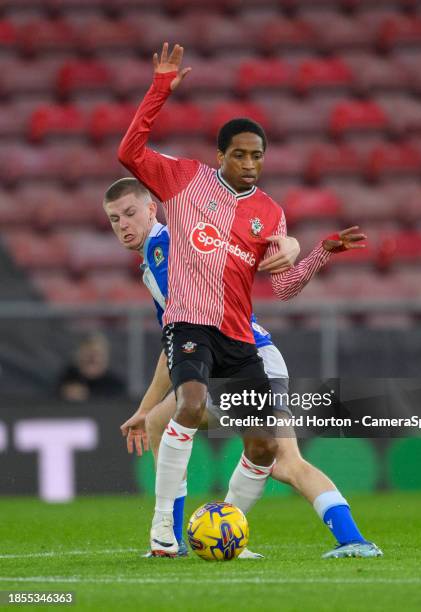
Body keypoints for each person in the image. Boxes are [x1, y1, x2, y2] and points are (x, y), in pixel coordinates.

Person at [116, 42, 375, 558]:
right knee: (187, 407)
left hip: (240, 338)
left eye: (258, 155)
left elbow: (283, 288)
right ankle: (164, 537)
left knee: (262, 448)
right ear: (220, 155)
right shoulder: (185, 179)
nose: (250, 163)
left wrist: (320, 251)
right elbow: (129, 152)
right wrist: (160, 88)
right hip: (190, 325)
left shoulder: (270, 214)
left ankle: (228, 531)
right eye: (240, 153)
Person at [104, 178, 382, 560]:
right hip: (227, 361)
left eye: (131, 213)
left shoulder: (165, 249)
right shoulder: (155, 256)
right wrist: (144, 407)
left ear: (153, 209)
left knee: (283, 461)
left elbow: (189, 333)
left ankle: (352, 540)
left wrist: (306, 249)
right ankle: (178, 541)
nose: (122, 224)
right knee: (157, 422)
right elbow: (177, 341)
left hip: (250, 359)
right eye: (114, 218)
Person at [58, 333, 125, 402]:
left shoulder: (115, 385)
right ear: (78, 356)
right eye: (88, 354)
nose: (92, 358)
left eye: (96, 354)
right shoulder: (67, 378)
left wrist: (87, 395)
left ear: (105, 358)